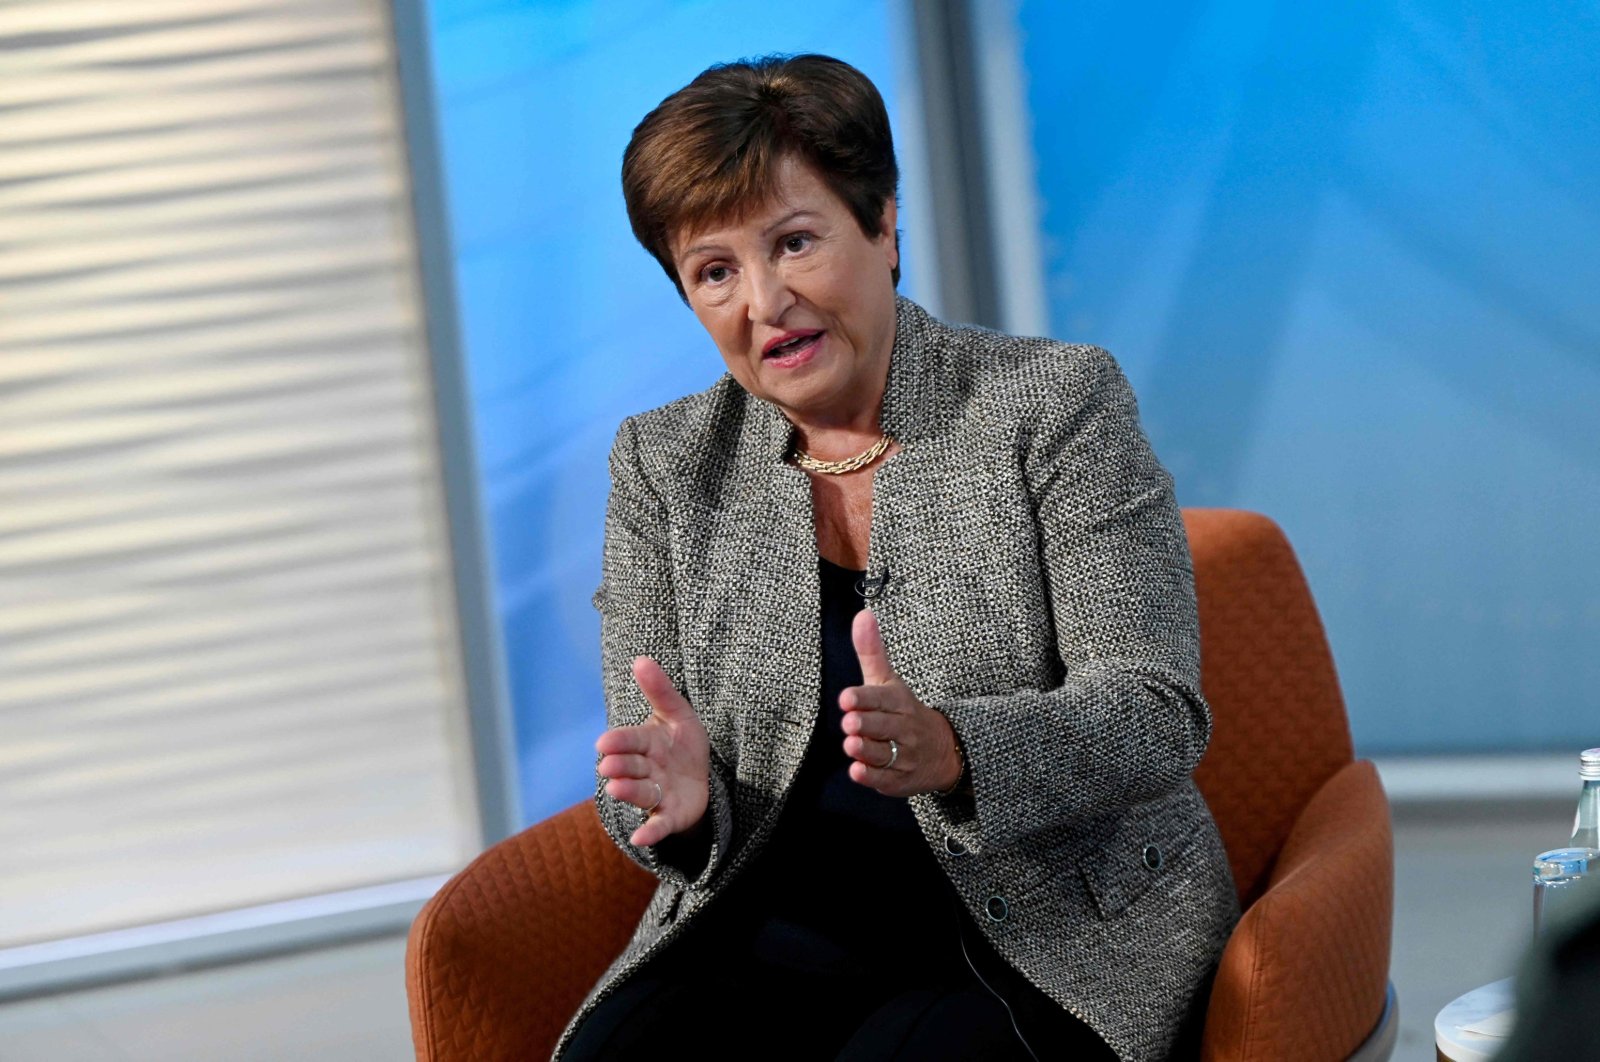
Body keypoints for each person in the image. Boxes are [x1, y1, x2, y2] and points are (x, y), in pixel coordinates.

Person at [556, 53, 1239, 1062]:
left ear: (882, 227)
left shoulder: (1051, 406)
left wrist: (960, 748)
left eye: (795, 242)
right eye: (714, 271)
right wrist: (676, 808)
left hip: (1043, 923)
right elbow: (642, 772)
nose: (764, 302)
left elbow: (1153, 711)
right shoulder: (662, 465)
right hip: (778, 920)